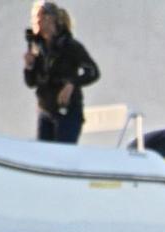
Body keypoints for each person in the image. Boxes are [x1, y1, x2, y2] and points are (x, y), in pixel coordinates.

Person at [23, 1, 99, 144]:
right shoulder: (38, 48)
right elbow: (31, 83)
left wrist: (72, 83)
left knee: (63, 154)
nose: (34, 22)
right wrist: (29, 67)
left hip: (67, 111)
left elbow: (93, 72)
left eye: (37, 17)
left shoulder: (70, 46)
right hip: (45, 110)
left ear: (49, 18)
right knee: (44, 156)